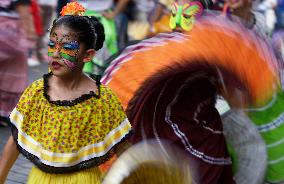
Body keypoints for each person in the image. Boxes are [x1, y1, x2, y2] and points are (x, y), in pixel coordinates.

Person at [0, 2, 132, 184]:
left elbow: (123, 146)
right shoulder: (37, 92)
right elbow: (16, 138)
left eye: (68, 47)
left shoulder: (102, 98)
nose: (56, 54)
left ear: (88, 55)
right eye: (52, 45)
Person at [0, 0, 35, 127]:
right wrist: (31, 34)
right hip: (10, 33)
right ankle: (5, 112)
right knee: (14, 73)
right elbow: (24, 12)